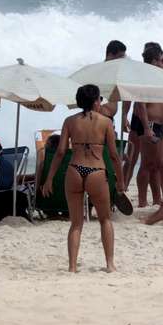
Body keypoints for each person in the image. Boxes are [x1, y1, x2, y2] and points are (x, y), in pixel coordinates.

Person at [42, 84, 125, 273]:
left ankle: (72, 266)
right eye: (100, 100)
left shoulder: (69, 121)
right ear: (96, 101)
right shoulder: (105, 122)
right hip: (96, 170)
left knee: (76, 223)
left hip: (74, 170)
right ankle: (110, 265)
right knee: (105, 219)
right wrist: (120, 180)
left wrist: (49, 179)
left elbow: (61, 151)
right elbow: (113, 155)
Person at [127, 42, 163, 207]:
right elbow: (140, 104)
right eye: (160, 60)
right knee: (147, 164)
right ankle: (143, 202)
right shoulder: (143, 78)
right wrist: (145, 127)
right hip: (149, 124)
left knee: (161, 163)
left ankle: (162, 199)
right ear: (153, 62)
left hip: (161, 125)